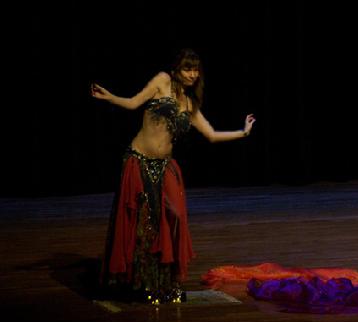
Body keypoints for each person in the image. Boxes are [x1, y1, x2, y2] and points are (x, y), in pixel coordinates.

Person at [91, 48, 256, 304]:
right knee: (145, 223)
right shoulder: (162, 81)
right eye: (187, 69)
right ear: (176, 69)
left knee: (174, 217)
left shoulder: (190, 104)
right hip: (139, 161)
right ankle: (141, 282)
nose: (192, 74)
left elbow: (211, 134)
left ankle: (165, 281)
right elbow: (134, 102)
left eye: (196, 70)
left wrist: (243, 133)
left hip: (165, 166)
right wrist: (110, 97)